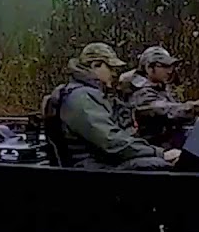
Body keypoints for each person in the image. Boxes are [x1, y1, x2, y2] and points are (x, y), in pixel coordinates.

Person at [43, 42, 181, 170]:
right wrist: (159, 153)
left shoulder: (95, 94)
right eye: (111, 68)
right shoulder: (82, 98)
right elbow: (110, 141)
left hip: (102, 161)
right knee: (159, 166)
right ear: (95, 65)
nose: (115, 73)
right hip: (93, 168)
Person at [119, 45, 199, 148]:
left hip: (170, 139)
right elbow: (170, 112)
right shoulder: (141, 93)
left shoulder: (159, 87)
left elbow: (177, 113)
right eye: (164, 66)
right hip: (154, 147)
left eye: (170, 66)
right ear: (149, 68)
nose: (169, 71)